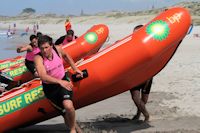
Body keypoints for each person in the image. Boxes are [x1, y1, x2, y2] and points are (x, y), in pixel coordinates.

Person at [34, 35, 83, 133]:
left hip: (63, 81)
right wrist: (60, 82)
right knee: (65, 115)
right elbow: (43, 76)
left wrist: (75, 68)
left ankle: (73, 130)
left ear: (51, 46)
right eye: (42, 48)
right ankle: (77, 129)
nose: (44, 50)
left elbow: (66, 55)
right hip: (50, 89)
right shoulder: (38, 58)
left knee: (68, 106)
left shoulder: (57, 49)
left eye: (46, 47)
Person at [130, 24, 153, 122]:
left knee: (144, 100)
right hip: (133, 76)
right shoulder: (130, 45)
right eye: (134, 33)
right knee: (135, 98)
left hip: (147, 75)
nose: (135, 35)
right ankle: (146, 115)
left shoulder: (150, 45)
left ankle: (138, 114)